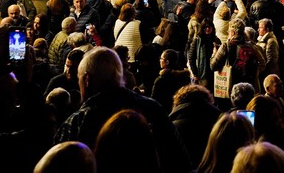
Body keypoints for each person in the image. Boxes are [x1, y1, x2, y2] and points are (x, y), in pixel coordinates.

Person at [53, 46, 191, 173]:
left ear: (87, 79)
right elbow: (180, 160)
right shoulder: (153, 109)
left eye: (79, 78)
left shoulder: (79, 121)